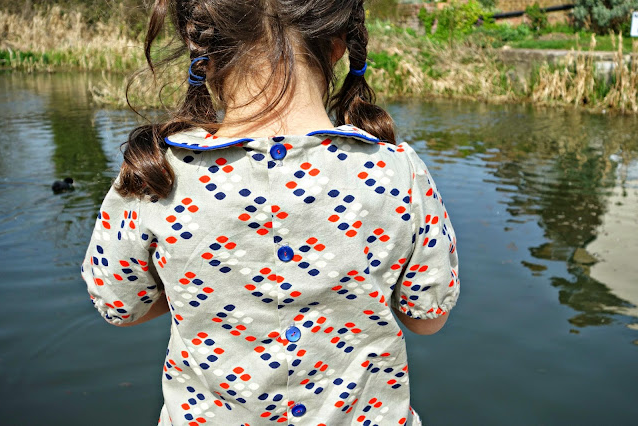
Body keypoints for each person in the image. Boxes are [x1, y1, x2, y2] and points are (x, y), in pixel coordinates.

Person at [80, 0, 460, 424]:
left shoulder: (157, 176)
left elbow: (121, 307)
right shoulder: (398, 171)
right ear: (339, 45)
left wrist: (198, 285)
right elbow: (427, 317)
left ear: (200, 45)